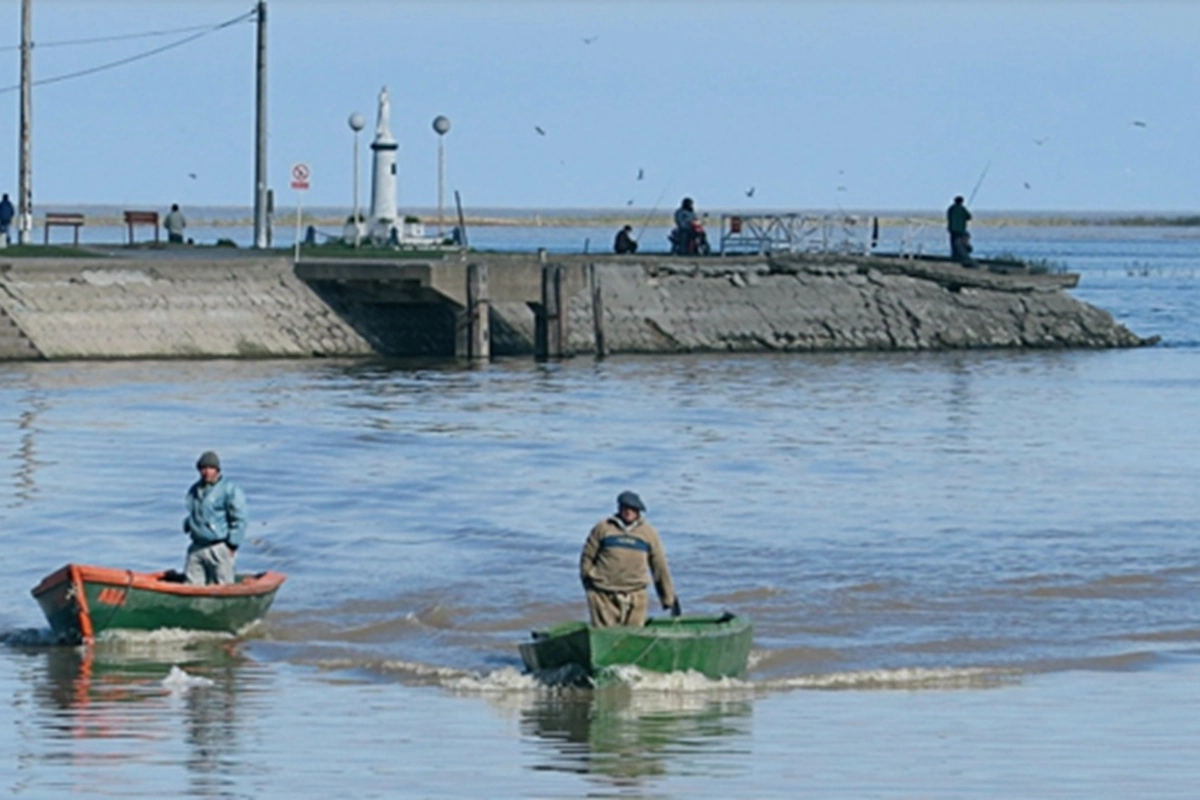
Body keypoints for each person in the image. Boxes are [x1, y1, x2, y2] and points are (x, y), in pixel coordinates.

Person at [580, 490, 679, 627]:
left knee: (632, 635)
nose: (628, 512)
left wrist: (669, 598)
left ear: (639, 511)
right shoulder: (603, 528)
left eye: (633, 509)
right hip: (602, 595)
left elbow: (659, 566)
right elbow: (587, 557)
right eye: (625, 507)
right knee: (606, 635)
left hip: (636, 594)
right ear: (619, 508)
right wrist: (589, 585)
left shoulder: (649, 533)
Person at [182, 450, 247, 585]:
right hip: (197, 546)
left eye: (211, 468)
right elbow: (194, 512)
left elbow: (239, 518)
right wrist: (188, 524)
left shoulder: (230, 489)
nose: (207, 472)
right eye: (203, 468)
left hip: (219, 547)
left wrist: (232, 544)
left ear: (217, 470)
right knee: (191, 585)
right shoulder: (194, 490)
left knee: (223, 586)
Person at [947, 195, 974, 265]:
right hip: (961, 230)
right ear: (962, 202)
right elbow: (969, 217)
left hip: (952, 230)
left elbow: (949, 216)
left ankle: (955, 257)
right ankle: (961, 256)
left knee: (953, 244)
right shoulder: (962, 209)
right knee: (961, 243)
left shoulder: (951, 209)